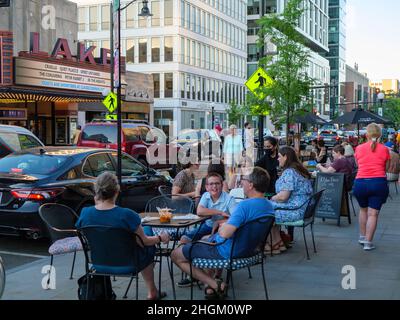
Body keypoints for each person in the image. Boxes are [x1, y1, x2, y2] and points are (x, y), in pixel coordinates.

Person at [171, 167, 274, 300]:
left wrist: (223, 226)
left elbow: (225, 234)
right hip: (250, 251)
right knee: (206, 239)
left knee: (175, 254)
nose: (241, 182)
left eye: (243, 179)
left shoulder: (244, 206)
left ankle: (214, 284)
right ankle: (212, 285)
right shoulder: (269, 205)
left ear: (251, 185)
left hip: (228, 251)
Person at [75, 172, 170, 300]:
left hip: (98, 264)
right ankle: (152, 291)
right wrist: (161, 238)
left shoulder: (85, 213)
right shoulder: (127, 215)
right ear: (117, 190)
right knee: (147, 239)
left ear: (97, 192)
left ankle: (152, 290)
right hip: (129, 264)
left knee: (145, 235)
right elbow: (145, 242)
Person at [353, 123, 391, 251]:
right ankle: (368, 243)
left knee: (363, 210)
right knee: (373, 214)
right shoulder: (385, 149)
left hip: (360, 183)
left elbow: (358, 165)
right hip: (378, 183)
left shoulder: (358, 148)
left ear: (366, 134)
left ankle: (362, 237)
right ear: (379, 135)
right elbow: (385, 168)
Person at [268, 146, 313, 253]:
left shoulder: (290, 172)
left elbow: (283, 197)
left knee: (265, 213)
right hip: (304, 209)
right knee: (267, 209)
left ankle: (272, 244)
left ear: (286, 157)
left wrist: (272, 198)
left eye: (279, 156)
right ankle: (278, 243)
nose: (277, 159)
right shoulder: (298, 169)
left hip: (295, 210)